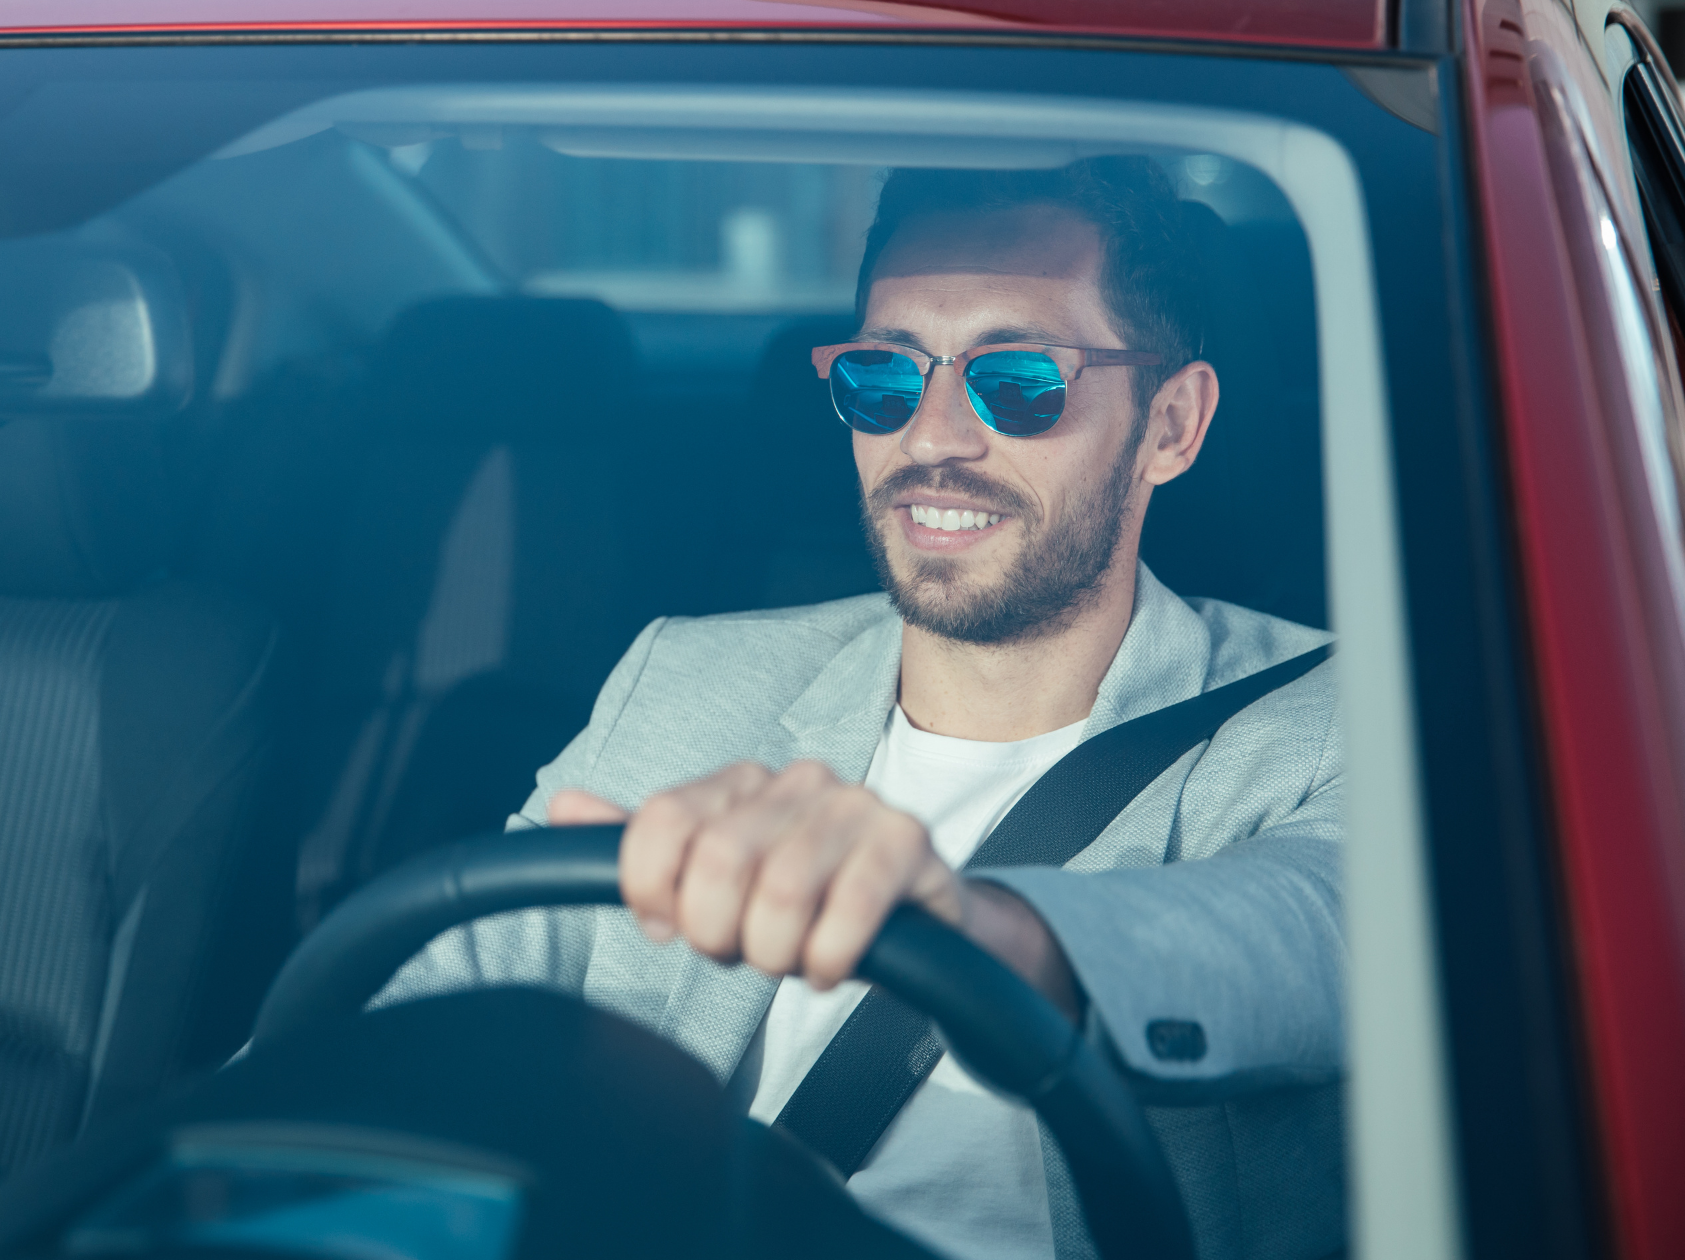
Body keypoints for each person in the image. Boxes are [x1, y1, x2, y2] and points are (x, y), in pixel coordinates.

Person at [375, 157, 1343, 1260]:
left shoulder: (1339, 718)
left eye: (1017, 379)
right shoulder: (685, 679)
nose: (929, 438)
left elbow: (1301, 942)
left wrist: (972, 931)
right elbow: (413, 1026)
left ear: (1169, 424)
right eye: (882, 378)